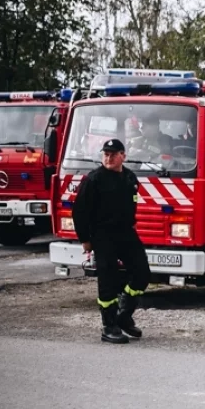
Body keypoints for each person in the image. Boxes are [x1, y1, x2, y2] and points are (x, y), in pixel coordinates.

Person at [72, 139, 152, 344]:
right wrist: (85, 240)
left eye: (113, 154)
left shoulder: (129, 178)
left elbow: (131, 204)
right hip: (103, 235)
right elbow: (79, 211)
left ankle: (123, 316)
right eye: (105, 154)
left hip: (125, 233)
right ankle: (109, 326)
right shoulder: (94, 180)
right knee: (108, 280)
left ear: (123, 156)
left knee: (142, 272)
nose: (108, 157)